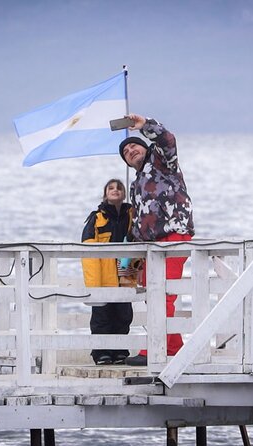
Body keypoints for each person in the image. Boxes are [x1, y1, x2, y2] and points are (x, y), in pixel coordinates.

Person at [119, 113, 195, 366]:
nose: (131, 150)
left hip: (174, 234)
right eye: (126, 151)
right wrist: (132, 255)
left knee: (164, 293)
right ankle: (172, 346)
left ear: (145, 147)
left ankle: (157, 349)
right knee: (152, 294)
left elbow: (167, 139)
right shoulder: (137, 183)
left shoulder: (163, 162)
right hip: (150, 245)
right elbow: (140, 218)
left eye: (134, 146)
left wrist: (144, 126)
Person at [81, 179, 136, 365]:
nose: (115, 190)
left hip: (124, 273)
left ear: (124, 193)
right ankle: (101, 352)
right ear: (105, 194)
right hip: (103, 276)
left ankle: (120, 350)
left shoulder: (132, 216)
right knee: (101, 315)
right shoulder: (97, 218)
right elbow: (87, 252)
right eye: (111, 188)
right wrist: (93, 283)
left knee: (123, 314)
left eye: (119, 187)